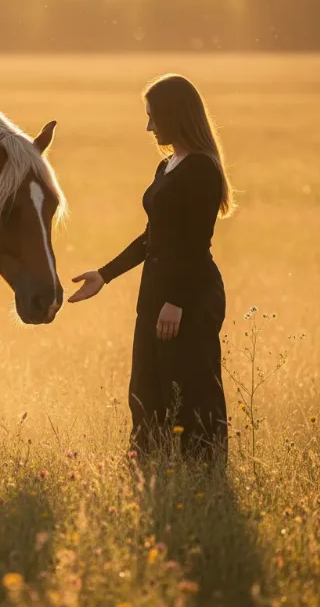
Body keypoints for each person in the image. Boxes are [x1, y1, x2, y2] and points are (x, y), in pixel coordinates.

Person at [69, 74, 235, 462]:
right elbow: (153, 236)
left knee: (192, 387)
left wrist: (175, 302)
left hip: (189, 294)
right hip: (156, 290)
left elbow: (194, 243)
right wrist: (104, 275)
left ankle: (204, 478)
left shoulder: (201, 170)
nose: (148, 126)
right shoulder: (168, 166)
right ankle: (151, 471)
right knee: (147, 386)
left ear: (175, 115)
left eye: (153, 117)